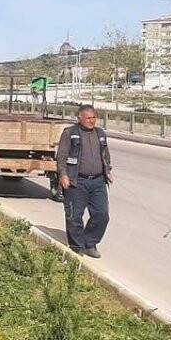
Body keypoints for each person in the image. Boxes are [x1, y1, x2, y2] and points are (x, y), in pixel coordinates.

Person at [55, 104, 113, 258]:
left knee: (102, 215)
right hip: (77, 181)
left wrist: (108, 171)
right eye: (88, 118)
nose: (91, 121)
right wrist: (63, 175)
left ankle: (89, 242)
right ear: (79, 118)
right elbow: (61, 156)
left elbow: (105, 155)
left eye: (93, 117)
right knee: (74, 216)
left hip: (98, 181)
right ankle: (77, 246)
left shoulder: (100, 133)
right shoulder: (70, 133)